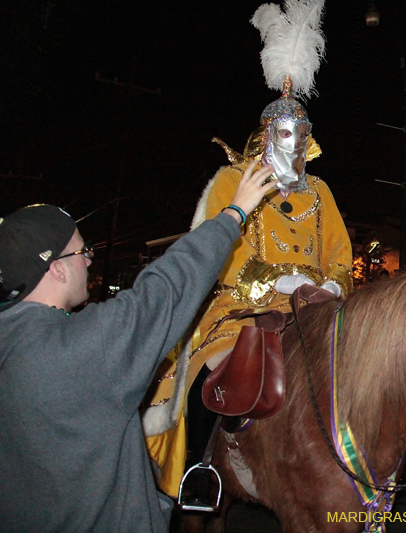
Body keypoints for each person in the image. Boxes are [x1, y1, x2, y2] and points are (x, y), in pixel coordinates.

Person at [143, 0, 353, 505]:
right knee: (212, 382)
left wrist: (331, 284)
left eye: (303, 135)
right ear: (265, 136)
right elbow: (219, 254)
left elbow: (341, 254)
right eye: (286, 134)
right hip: (241, 311)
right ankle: (197, 476)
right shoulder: (232, 182)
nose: (297, 144)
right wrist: (278, 283)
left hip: (315, 312)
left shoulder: (320, 192)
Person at [0, 165, 276, 533]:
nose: (88, 260)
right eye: (82, 251)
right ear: (57, 270)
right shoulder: (80, 349)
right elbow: (164, 291)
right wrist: (233, 214)